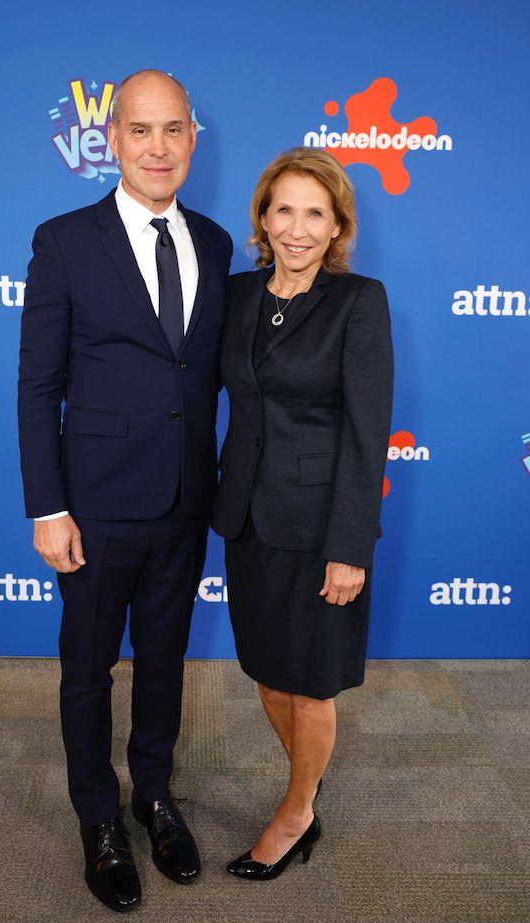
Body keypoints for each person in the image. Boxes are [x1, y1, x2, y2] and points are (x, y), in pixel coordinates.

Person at [17, 69, 232, 912]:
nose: (158, 147)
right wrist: (47, 504)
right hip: (94, 505)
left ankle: (152, 792)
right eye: (141, 131)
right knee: (87, 670)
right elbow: (38, 384)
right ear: (113, 141)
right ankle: (97, 817)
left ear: (190, 139)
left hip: (184, 499)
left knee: (167, 662)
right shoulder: (64, 240)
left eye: (173, 130)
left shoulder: (214, 244)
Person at [212, 147, 393, 880]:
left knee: (311, 679)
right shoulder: (237, 296)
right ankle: (308, 789)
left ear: (337, 225)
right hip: (249, 521)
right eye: (283, 209)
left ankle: (294, 813)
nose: (296, 227)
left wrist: (350, 547)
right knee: (267, 669)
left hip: (322, 528)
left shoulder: (359, 301)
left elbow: (366, 432)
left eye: (314, 212)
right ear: (262, 217)